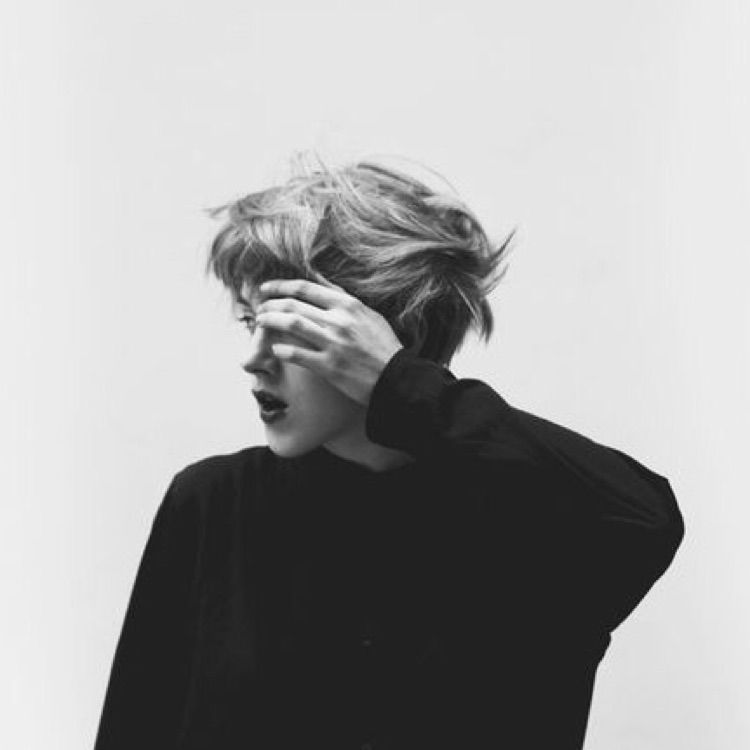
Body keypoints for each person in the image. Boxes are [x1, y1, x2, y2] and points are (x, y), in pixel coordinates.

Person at [93, 154, 685, 750]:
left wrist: (402, 386)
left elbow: (645, 518)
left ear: (381, 337)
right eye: (251, 322)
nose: (255, 358)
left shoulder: (524, 526)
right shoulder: (212, 502)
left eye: (293, 327)